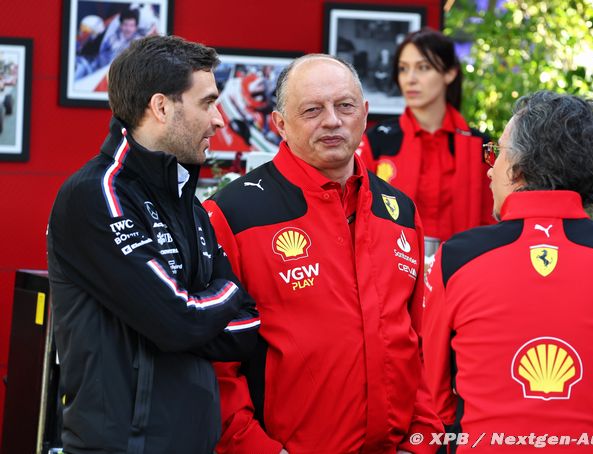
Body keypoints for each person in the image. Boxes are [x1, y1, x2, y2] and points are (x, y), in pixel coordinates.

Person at [204, 54, 442, 453]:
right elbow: (215, 367)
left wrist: (422, 441)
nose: (332, 120)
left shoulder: (399, 211)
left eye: (345, 106)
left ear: (364, 114)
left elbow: (415, 344)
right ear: (280, 124)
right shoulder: (234, 214)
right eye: (312, 109)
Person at [47, 35, 260, 454]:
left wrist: (183, 317)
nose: (219, 120)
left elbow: (248, 327)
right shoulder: (96, 195)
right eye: (206, 102)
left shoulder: (188, 205)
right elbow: (178, 320)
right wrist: (229, 292)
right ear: (161, 107)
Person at [421, 91, 593, 452]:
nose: (489, 169)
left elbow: (436, 397)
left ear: (518, 168)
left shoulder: (456, 258)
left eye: (496, 153)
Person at [357, 28, 494, 257]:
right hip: (392, 272)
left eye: (423, 68)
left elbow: (496, 222)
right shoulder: (376, 141)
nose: (410, 79)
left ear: (449, 73)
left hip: (462, 275)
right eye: (403, 69)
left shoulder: (483, 147)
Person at [75, 8, 145, 80]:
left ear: (136, 27)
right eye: (125, 25)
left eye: (131, 25)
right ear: (120, 25)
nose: (128, 29)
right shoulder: (111, 40)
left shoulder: (140, 42)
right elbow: (101, 59)